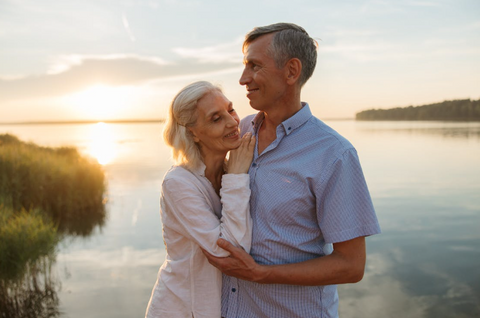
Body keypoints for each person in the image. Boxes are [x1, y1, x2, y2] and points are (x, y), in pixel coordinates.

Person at [203, 23, 381, 318]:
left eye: (254, 66)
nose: (243, 78)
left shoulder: (334, 154)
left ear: (291, 71)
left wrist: (261, 273)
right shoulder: (238, 131)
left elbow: (351, 266)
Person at [145, 81, 255, 318]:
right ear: (192, 133)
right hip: (180, 309)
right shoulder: (178, 182)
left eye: (231, 109)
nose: (233, 122)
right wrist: (236, 177)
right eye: (216, 118)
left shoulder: (230, 169)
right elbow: (229, 251)